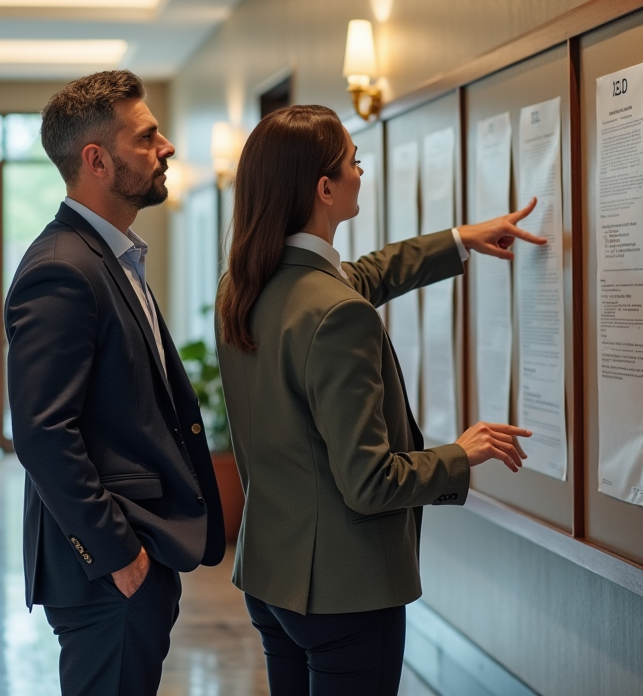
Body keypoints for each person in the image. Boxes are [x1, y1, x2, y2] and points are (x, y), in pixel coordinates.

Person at [215, 104, 542, 695]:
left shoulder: (245, 290)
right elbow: (368, 483)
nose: (361, 173)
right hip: (346, 594)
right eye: (354, 162)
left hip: (273, 581)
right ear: (325, 188)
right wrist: (461, 454)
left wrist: (458, 241)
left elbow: (361, 276)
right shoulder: (336, 314)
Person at [4, 70, 225, 696]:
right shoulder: (63, 269)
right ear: (96, 160)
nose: (168, 147)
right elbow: (43, 433)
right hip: (107, 566)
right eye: (148, 136)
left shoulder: (113, 255)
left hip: (136, 549)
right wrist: (118, 555)